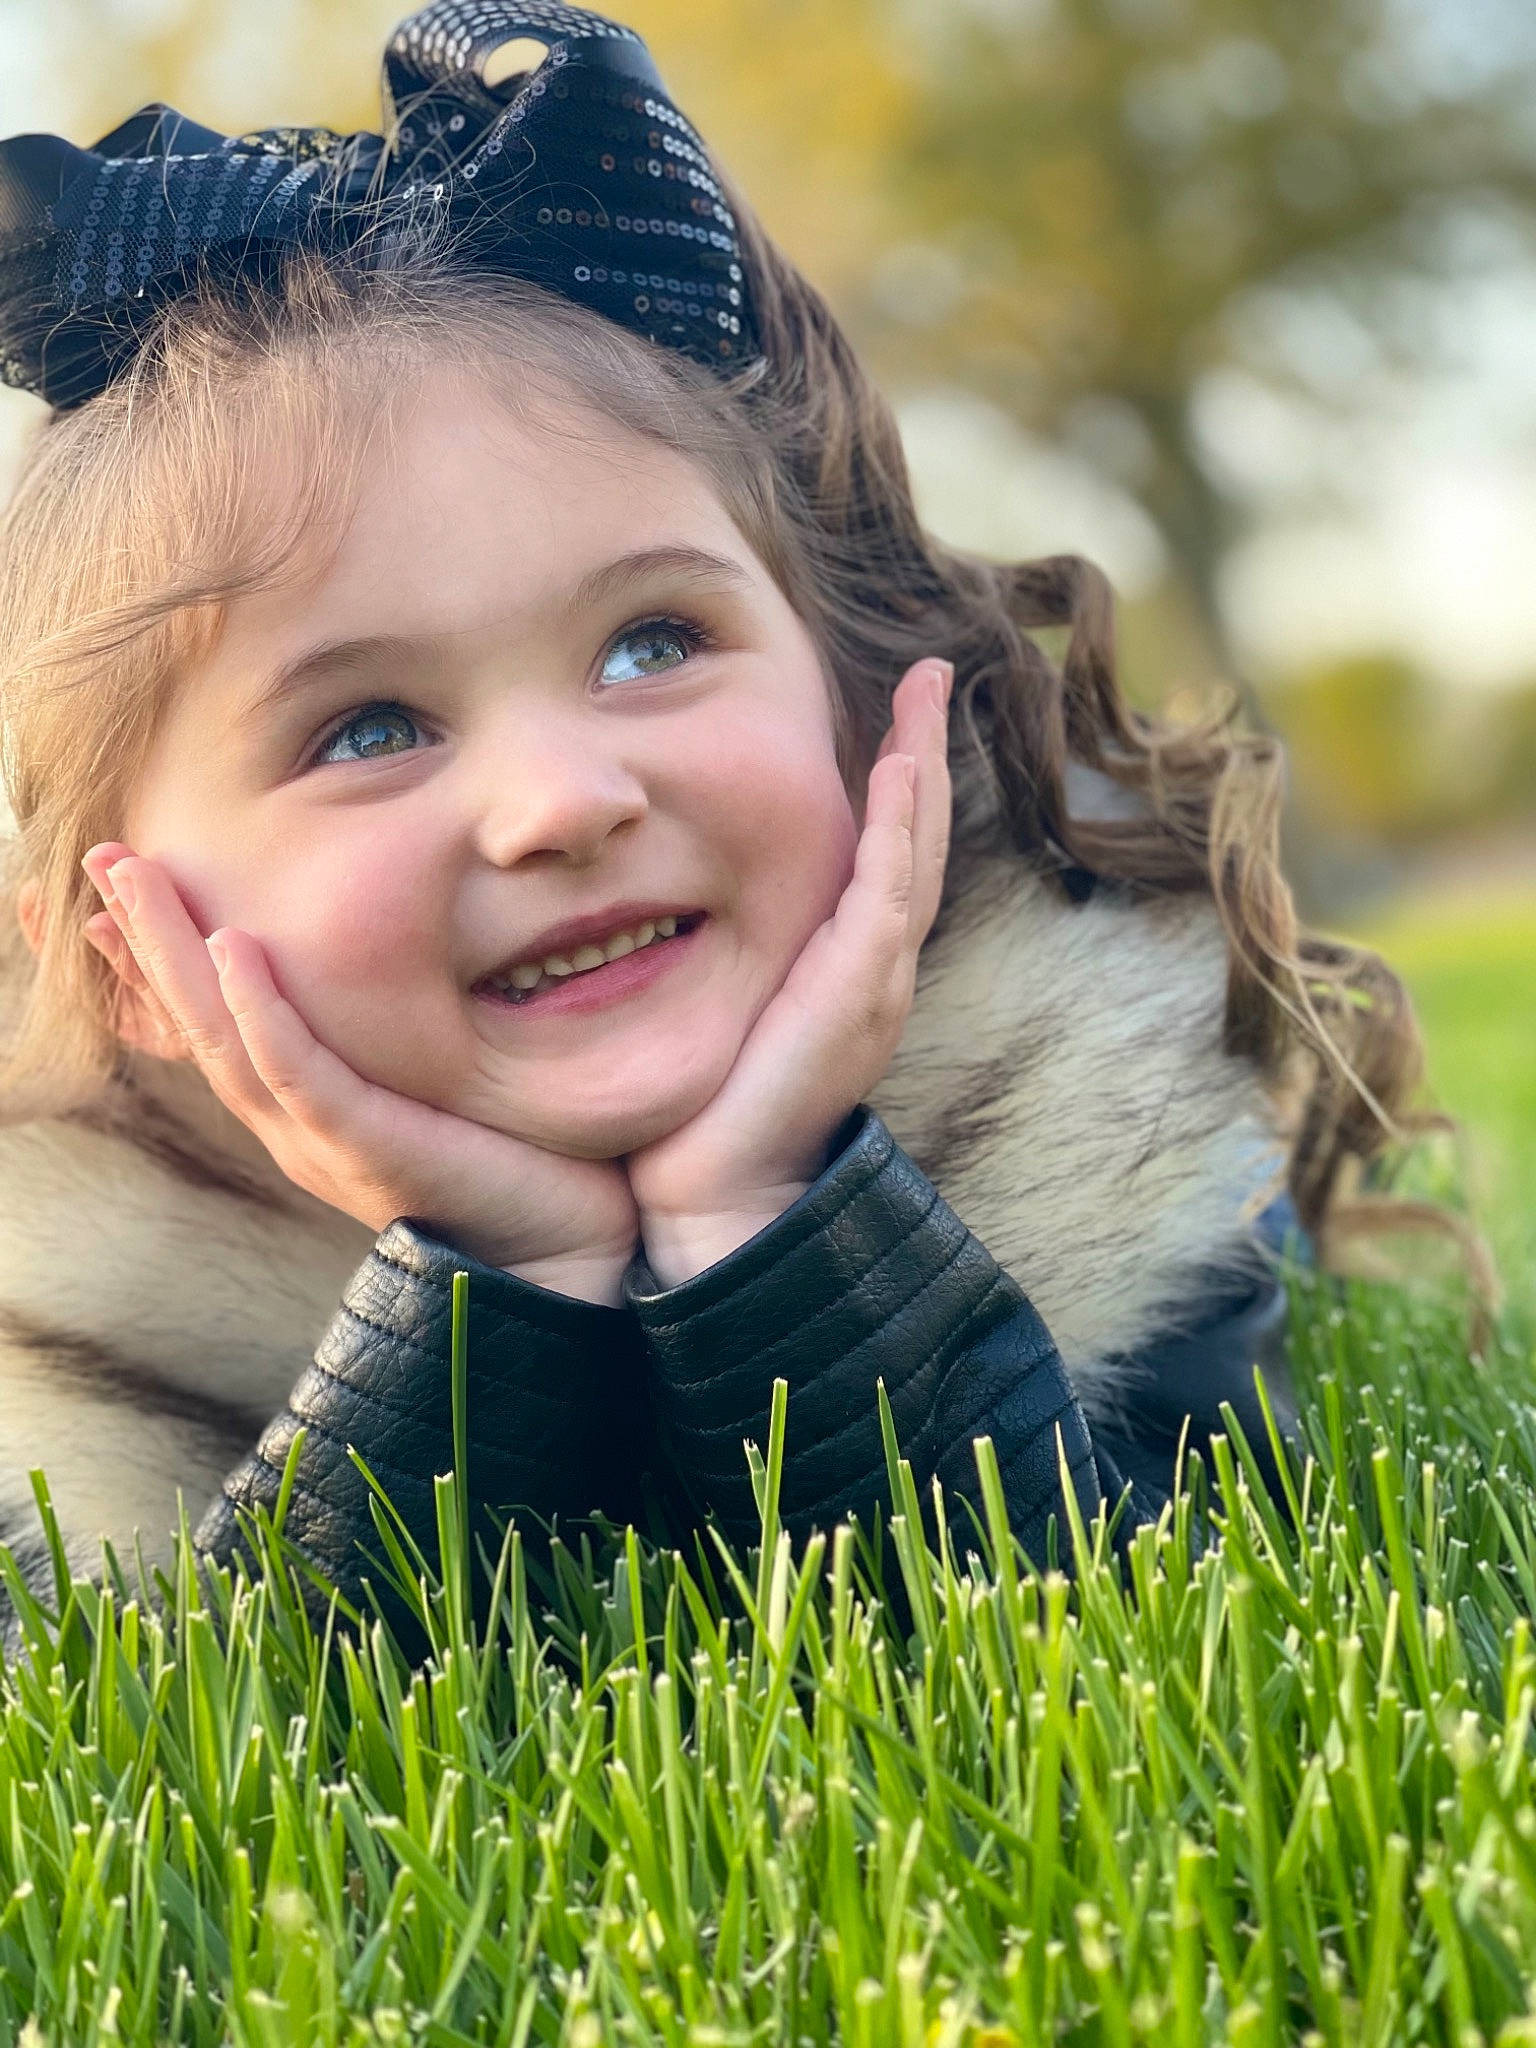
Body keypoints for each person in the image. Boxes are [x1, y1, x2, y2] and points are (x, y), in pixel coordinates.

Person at [0, 2, 1421, 1644]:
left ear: (839, 692)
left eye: (651, 643)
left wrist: (780, 1225)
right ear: (126, 961)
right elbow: (246, 1803)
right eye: (369, 727)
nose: (565, 803)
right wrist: (494, 1284)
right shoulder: (69, 1362)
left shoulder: (1090, 1127)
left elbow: (1121, 1668)